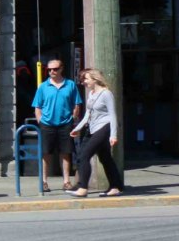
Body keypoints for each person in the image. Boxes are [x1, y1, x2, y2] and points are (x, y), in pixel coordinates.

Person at [68, 68, 123, 197]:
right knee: (105, 158)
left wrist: (113, 135)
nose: (84, 82)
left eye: (86, 79)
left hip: (104, 127)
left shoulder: (106, 94)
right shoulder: (91, 94)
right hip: (92, 128)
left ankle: (83, 188)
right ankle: (116, 186)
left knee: (83, 156)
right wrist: (78, 128)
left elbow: (113, 115)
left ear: (95, 79)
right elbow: (88, 114)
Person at [32, 58, 84, 191]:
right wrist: (40, 121)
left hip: (65, 124)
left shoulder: (70, 85)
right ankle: (43, 181)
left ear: (61, 69)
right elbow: (37, 106)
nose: (52, 72)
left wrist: (73, 118)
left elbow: (77, 103)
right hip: (47, 124)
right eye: (49, 69)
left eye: (55, 69)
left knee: (65, 153)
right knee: (45, 153)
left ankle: (66, 181)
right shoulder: (43, 87)